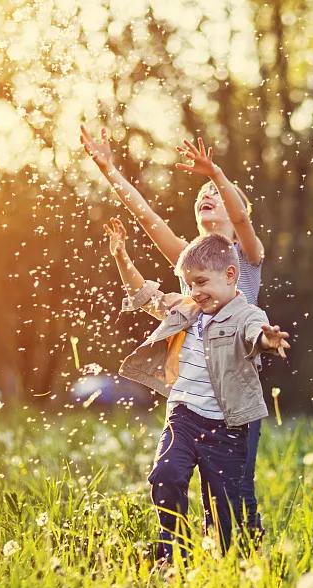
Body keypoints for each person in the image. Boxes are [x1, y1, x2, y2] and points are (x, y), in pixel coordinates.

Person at [82, 125, 268, 536]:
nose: (207, 196)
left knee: (236, 495)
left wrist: (215, 175)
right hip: (193, 393)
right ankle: (183, 551)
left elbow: (240, 215)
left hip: (235, 398)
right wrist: (110, 169)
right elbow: (147, 218)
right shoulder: (190, 262)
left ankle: (246, 557)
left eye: (217, 196)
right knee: (174, 473)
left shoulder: (247, 256)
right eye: (202, 194)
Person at [103, 220, 289, 563]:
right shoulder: (187, 309)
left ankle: (229, 564)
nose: (196, 291)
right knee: (165, 474)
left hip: (228, 428)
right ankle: (172, 552)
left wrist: (267, 340)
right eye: (190, 284)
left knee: (224, 512)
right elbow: (144, 295)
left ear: (230, 275)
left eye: (202, 282)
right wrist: (121, 256)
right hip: (183, 417)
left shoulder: (247, 314)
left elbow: (254, 334)